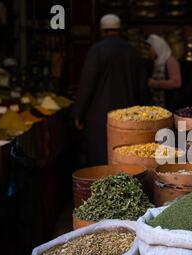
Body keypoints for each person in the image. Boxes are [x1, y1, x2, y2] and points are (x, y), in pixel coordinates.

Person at [72, 14, 148, 166]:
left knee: (101, 161)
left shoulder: (97, 50)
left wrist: (78, 114)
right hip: (128, 116)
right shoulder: (133, 51)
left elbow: (88, 84)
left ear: (102, 31)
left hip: (100, 118)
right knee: (125, 160)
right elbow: (142, 87)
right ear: (120, 30)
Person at [146, 34, 182, 110]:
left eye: (149, 49)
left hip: (169, 104)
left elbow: (177, 83)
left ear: (157, 47)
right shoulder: (156, 61)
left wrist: (155, 83)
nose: (148, 52)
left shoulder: (170, 61)